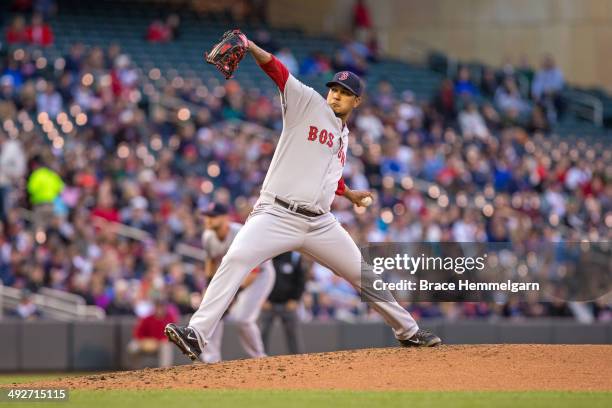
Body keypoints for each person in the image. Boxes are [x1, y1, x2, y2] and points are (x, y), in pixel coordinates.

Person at [164, 31, 442, 362]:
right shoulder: (308, 103)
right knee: (235, 260)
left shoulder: (344, 135)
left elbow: (329, 176)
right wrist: (250, 46)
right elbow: (278, 71)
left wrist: (350, 194)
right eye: (334, 89)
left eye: (345, 93)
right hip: (276, 214)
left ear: (357, 102)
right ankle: (197, 334)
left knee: (363, 274)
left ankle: (408, 332)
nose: (336, 96)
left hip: (320, 223)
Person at [197, 202, 275, 363]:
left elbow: (254, 270)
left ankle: (259, 358)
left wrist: (233, 295)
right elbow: (211, 261)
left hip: (260, 275)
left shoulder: (240, 233)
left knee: (243, 319)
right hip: (235, 276)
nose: (208, 220)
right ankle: (210, 359)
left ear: (226, 218)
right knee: (214, 312)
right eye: (207, 216)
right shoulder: (208, 236)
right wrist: (208, 287)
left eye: (213, 216)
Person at [260, 252, 306, 354]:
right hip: (268, 304)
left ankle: (298, 361)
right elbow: (258, 278)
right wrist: (262, 299)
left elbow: (301, 280)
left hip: (288, 304)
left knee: (293, 335)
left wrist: (295, 299)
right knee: (261, 334)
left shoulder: (294, 257)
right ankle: (258, 360)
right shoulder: (265, 256)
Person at [128, 297, 177, 368]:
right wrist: (143, 341)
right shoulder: (147, 318)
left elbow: (172, 334)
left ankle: (164, 371)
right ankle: (135, 370)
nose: (160, 308)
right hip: (147, 343)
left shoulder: (169, 318)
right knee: (132, 347)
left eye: (162, 306)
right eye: (158, 306)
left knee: (166, 346)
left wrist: (158, 341)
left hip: (160, 345)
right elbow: (138, 332)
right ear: (155, 307)